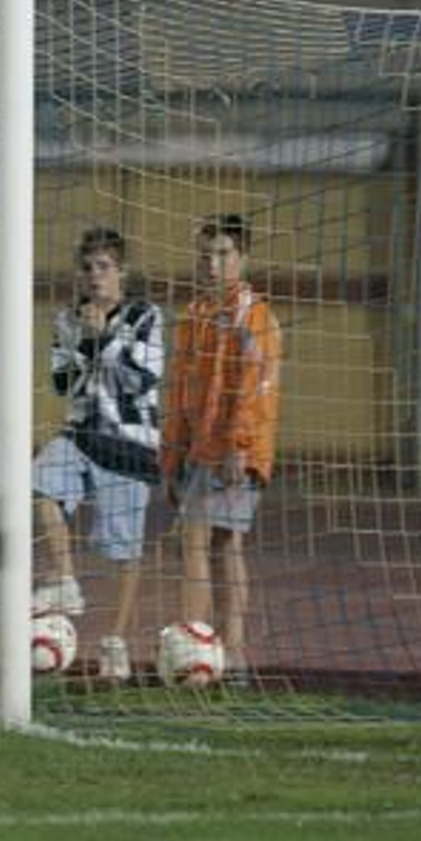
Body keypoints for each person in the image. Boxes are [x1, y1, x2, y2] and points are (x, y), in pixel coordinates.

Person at [31, 227, 163, 683]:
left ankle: (115, 642)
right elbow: (62, 383)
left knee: (123, 552)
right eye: (87, 268)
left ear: (121, 272)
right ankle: (65, 580)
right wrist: (85, 339)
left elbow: (141, 378)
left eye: (103, 267)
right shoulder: (68, 320)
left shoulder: (145, 316)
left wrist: (103, 336)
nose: (94, 276)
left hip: (130, 446)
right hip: (81, 435)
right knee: (38, 481)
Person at [161, 214, 283, 684]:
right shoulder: (195, 316)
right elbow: (178, 392)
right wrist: (171, 456)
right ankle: (229, 656)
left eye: (223, 254)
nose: (212, 263)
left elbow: (256, 386)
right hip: (199, 450)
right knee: (221, 545)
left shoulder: (255, 317)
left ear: (243, 258)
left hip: (232, 450)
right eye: (205, 254)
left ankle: (201, 649)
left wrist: (239, 445)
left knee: (198, 541)